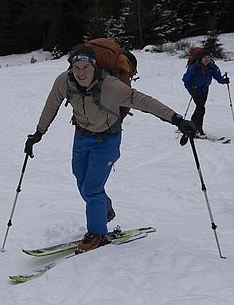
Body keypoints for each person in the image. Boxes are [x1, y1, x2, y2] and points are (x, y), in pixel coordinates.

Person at [25, 45, 198, 253]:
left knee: (91, 188)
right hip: (81, 135)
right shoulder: (65, 81)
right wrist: (38, 133)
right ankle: (104, 210)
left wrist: (177, 120)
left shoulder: (111, 87)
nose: (80, 73)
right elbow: (51, 105)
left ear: (94, 66)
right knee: (81, 179)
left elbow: (145, 102)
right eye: (76, 67)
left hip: (107, 140)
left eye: (85, 67)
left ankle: (98, 234)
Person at [181, 50, 230, 137]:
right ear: (201, 58)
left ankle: (190, 126)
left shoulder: (212, 67)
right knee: (201, 108)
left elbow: (218, 77)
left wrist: (224, 81)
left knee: (200, 108)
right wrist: (191, 89)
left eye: (208, 57)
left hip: (205, 89)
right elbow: (185, 79)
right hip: (195, 89)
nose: (207, 59)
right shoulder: (194, 67)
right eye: (205, 57)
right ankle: (197, 129)